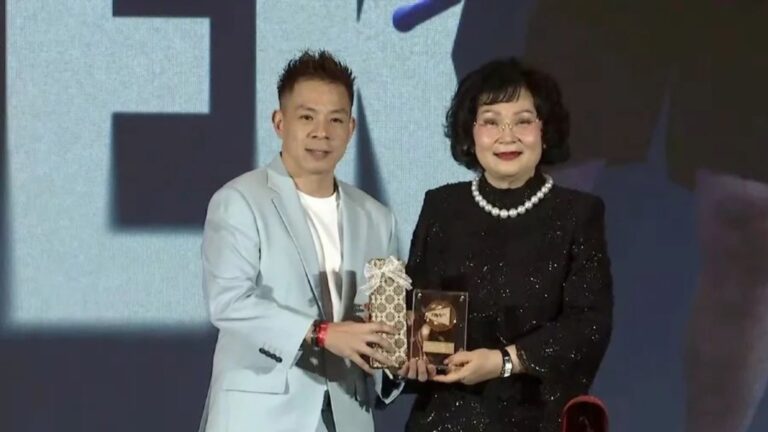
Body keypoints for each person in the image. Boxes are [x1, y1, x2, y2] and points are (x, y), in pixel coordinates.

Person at [402, 57, 613, 432]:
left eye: (522, 121)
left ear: (544, 131)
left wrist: (503, 361)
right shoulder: (441, 206)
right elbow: (417, 309)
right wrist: (410, 353)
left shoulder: (577, 214)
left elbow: (588, 326)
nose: (507, 135)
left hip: (538, 418)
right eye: (491, 121)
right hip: (443, 419)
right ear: (470, 133)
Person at [198, 50, 402, 432]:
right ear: (280, 122)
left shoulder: (377, 217)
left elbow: (383, 316)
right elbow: (229, 302)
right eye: (307, 117)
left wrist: (400, 361)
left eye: (335, 119)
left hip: (347, 415)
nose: (322, 132)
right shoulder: (240, 200)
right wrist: (321, 333)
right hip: (260, 416)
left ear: (351, 128)